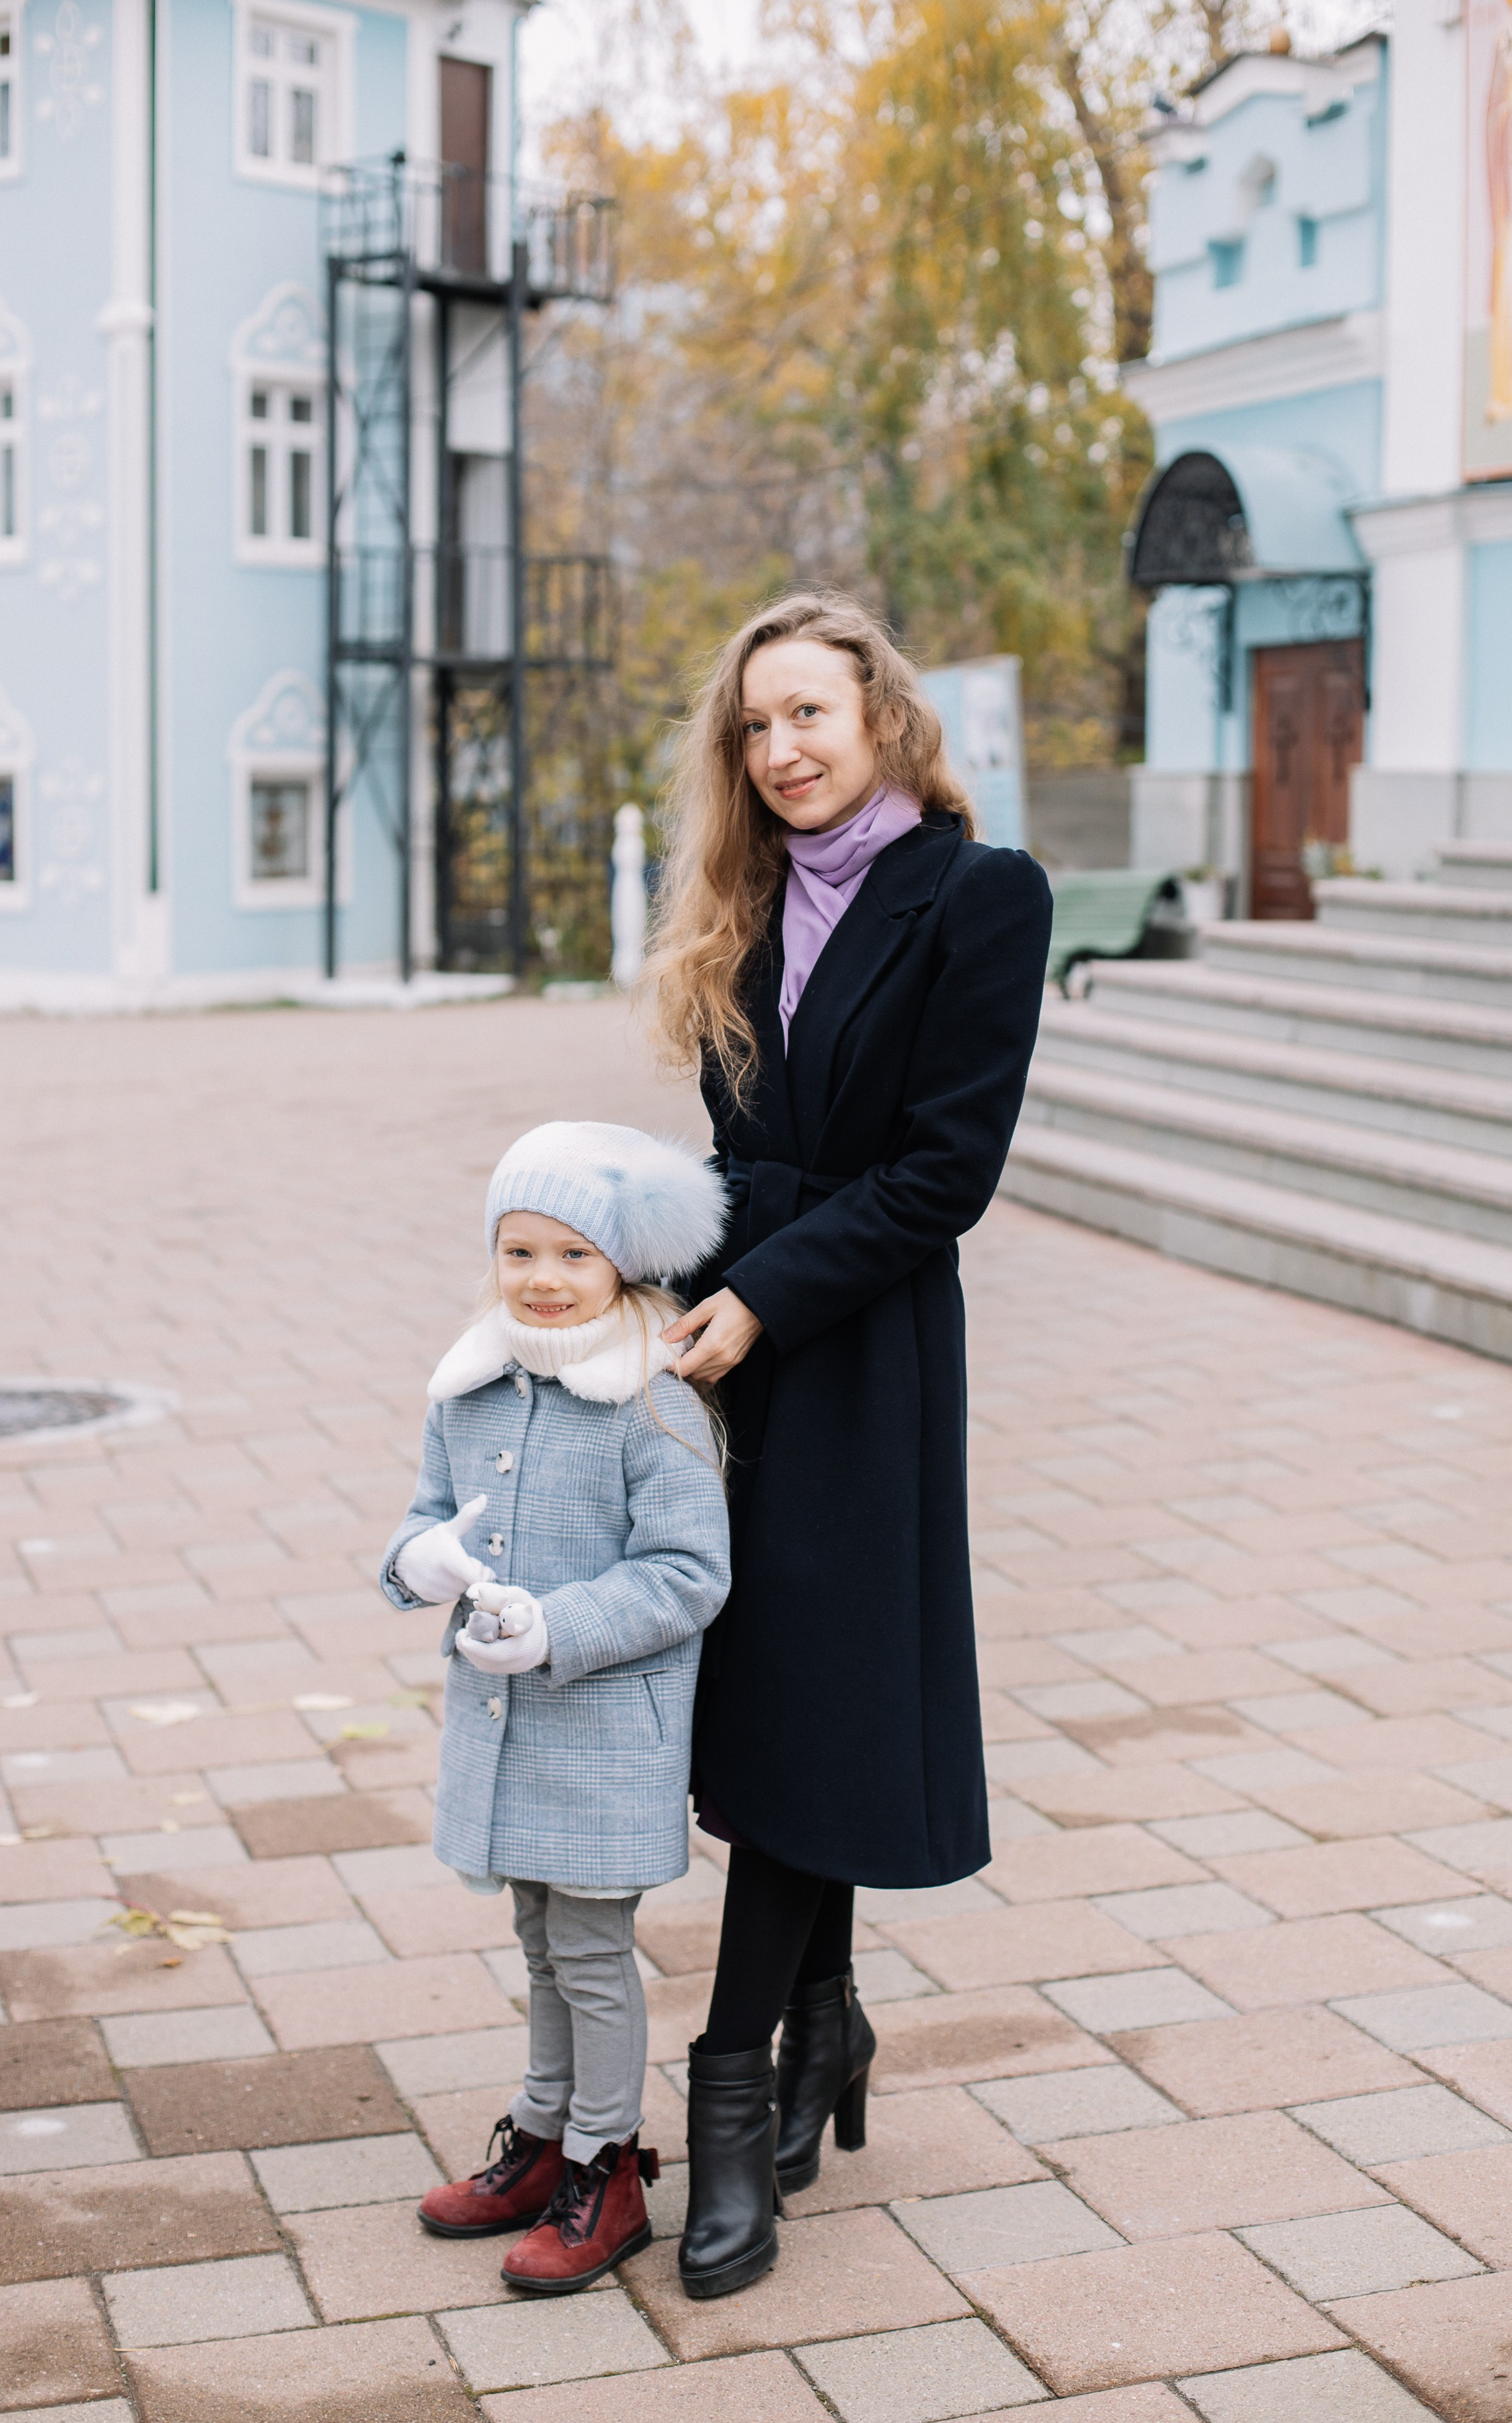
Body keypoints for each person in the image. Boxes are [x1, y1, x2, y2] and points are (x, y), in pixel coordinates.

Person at [646, 590, 1052, 2300]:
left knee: (811, 1693)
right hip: (736, 1335)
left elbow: (945, 1172)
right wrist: (630, 1276)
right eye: (755, 724)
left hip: (861, 1340)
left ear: (882, 713)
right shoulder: (739, 904)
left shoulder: (978, 894)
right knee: (767, 1693)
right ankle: (828, 2017)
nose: (782, 749)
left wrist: (765, 1300)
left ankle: (731, 2090)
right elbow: (733, 1154)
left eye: (809, 712)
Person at [379, 1121, 731, 2294]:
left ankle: (607, 2168)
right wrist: (415, 1562)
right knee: (537, 1945)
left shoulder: (652, 1404)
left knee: (588, 1953)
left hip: (599, 1738)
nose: (541, 1278)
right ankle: (540, 2143)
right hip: (501, 1732)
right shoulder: (471, 1388)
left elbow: (689, 1573)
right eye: (519, 1251)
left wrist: (558, 1627)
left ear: (621, 1269)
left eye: (572, 1255)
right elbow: (425, 1515)